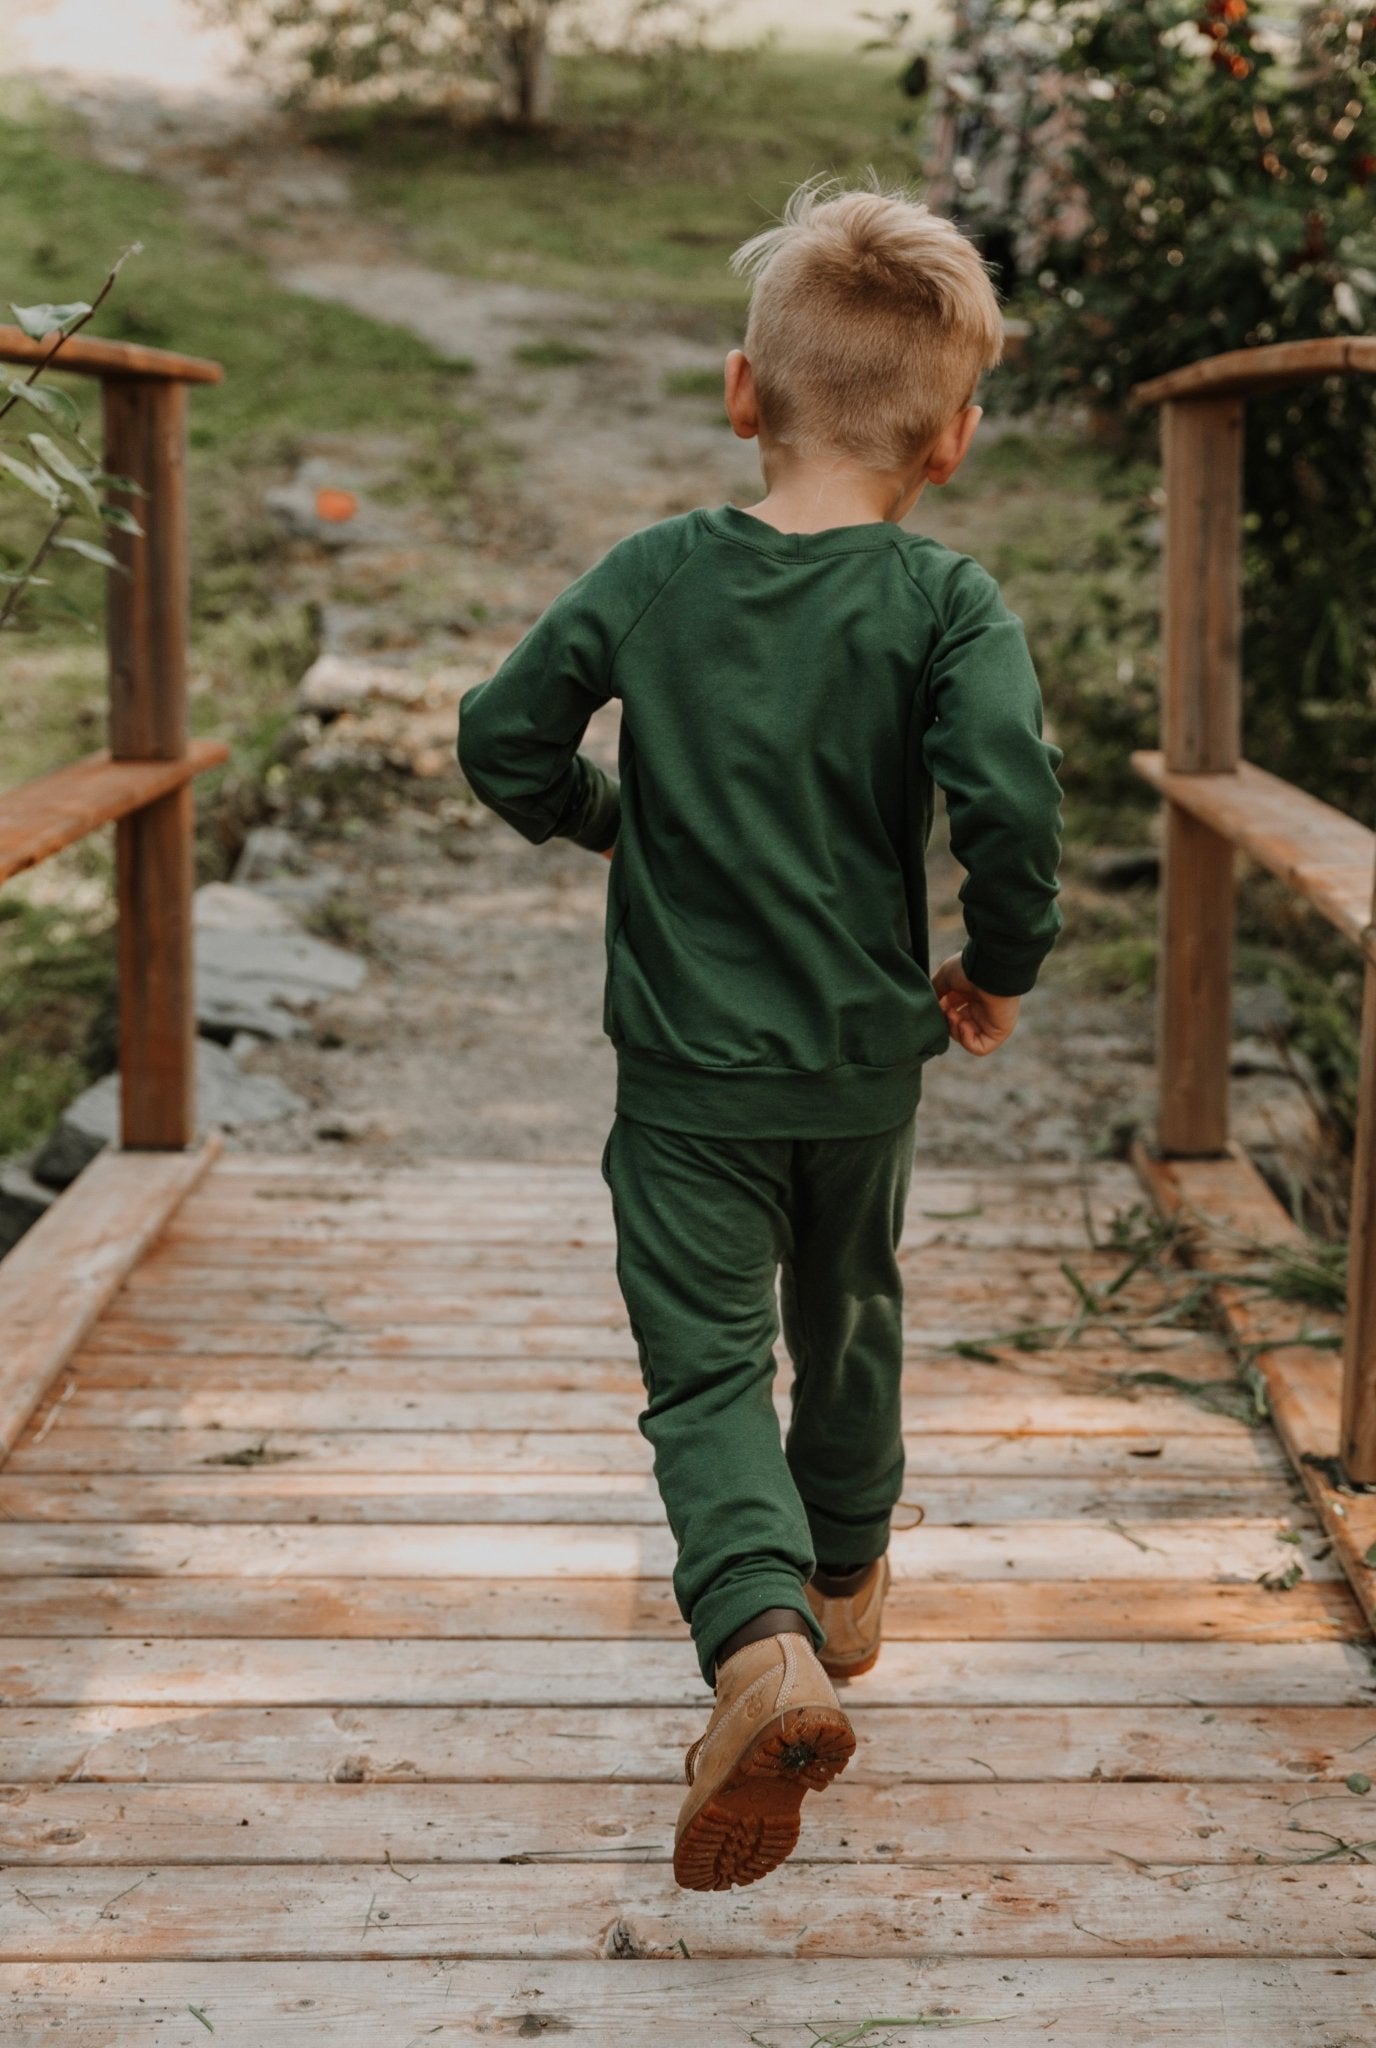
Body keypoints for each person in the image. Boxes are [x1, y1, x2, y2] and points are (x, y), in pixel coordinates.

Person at [456, 176, 1063, 1894]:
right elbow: (1009, 801)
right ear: (950, 443)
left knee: (710, 1368)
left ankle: (760, 1647)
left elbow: (501, 738)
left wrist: (606, 817)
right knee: (851, 1308)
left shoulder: (655, 577)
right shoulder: (949, 606)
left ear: (744, 391)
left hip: (686, 1082)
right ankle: (851, 1576)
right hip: (866, 1064)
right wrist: (996, 962)